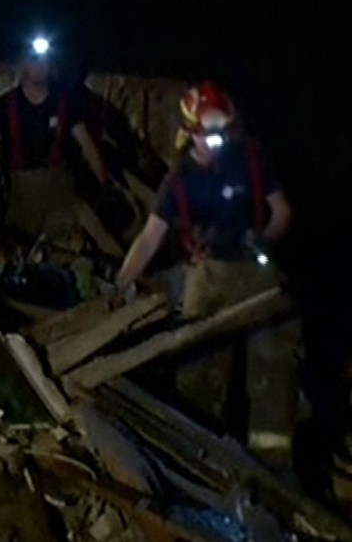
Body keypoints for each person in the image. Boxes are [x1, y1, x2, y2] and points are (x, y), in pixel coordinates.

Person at [115, 81, 299, 467]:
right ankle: (201, 463)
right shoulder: (179, 179)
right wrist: (120, 286)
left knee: (272, 371)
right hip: (208, 277)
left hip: (258, 277)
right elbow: (149, 238)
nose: (216, 141)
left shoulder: (249, 158)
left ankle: (273, 467)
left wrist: (263, 238)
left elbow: (282, 212)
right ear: (190, 131)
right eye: (207, 133)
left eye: (222, 131)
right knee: (197, 377)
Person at [0, 38, 113, 245]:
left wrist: (104, 183)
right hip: (24, 190)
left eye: (45, 61)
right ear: (25, 64)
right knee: (22, 245)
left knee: (67, 243)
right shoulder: (7, 104)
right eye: (34, 60)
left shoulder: (63, 104)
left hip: (59, 186)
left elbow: (87, 144)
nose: (40, 67)